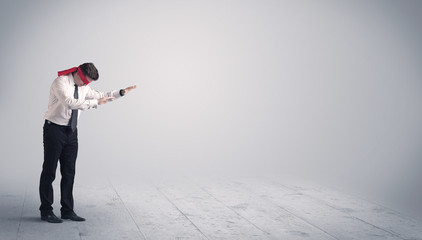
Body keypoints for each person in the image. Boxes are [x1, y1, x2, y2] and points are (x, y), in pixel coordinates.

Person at [39, 63, 136, 223]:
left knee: (69, 172)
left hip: (71, 131)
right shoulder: (60, 82)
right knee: (49, 171)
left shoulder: (83, 87)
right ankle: (46, 211)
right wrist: (95, 103)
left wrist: (120, 93)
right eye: (84, 81)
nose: (85, 85)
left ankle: (67, 210)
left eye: (88, 83)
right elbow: (69, 102)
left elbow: (101, 95)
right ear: (78, 73)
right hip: (54, 130)